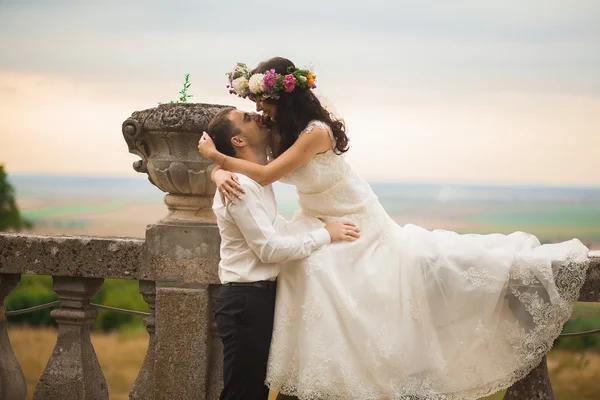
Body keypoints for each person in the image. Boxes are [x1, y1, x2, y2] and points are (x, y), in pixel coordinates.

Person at [199, 57, 590, 400]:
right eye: (253, 108)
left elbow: (263, 173)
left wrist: (217, 160)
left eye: (260, 103)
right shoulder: (277, 134)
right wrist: (217, 172)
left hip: (355, 219)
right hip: (319, 219)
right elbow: (248, 163)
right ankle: (315, 378)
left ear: (281, 97)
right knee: (311, 272)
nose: (258, 111)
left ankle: (347, 377)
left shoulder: (314, 132)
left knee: (346, 279)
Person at [208, 105, 359, 400]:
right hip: (245, 302)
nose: (258, 116)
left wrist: (217, 169)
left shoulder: (254, 180)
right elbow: (269, 248)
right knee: (243, 394)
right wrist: (325, 234)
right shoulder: (240, 187)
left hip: (260, 299)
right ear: (238, 141)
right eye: (248, 118)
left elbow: (274, 229)